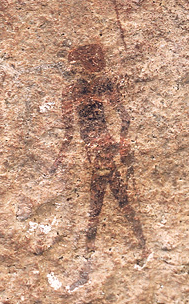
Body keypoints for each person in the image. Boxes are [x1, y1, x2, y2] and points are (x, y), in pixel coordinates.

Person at [54, 43, 146, 265]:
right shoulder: (72, 90)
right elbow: (67, 133)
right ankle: (138, 247)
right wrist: (57, 162)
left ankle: (91, 255)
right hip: (97, 155)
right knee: (113, 204)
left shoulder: (102, 84)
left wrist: (122, 146)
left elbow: (125, 119)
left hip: (103, 153)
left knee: (101, 208)